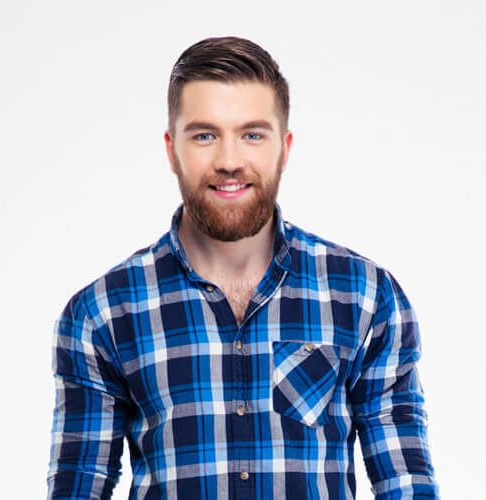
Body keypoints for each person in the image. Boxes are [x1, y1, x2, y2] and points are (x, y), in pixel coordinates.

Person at [46, 36, 440, 499]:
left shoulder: (363, 294)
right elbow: (77, 488)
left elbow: (406, 484)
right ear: (172, 150)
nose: (229, 161)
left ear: (284, 148)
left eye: (252, 134)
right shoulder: (102, 313)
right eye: (204, 135)